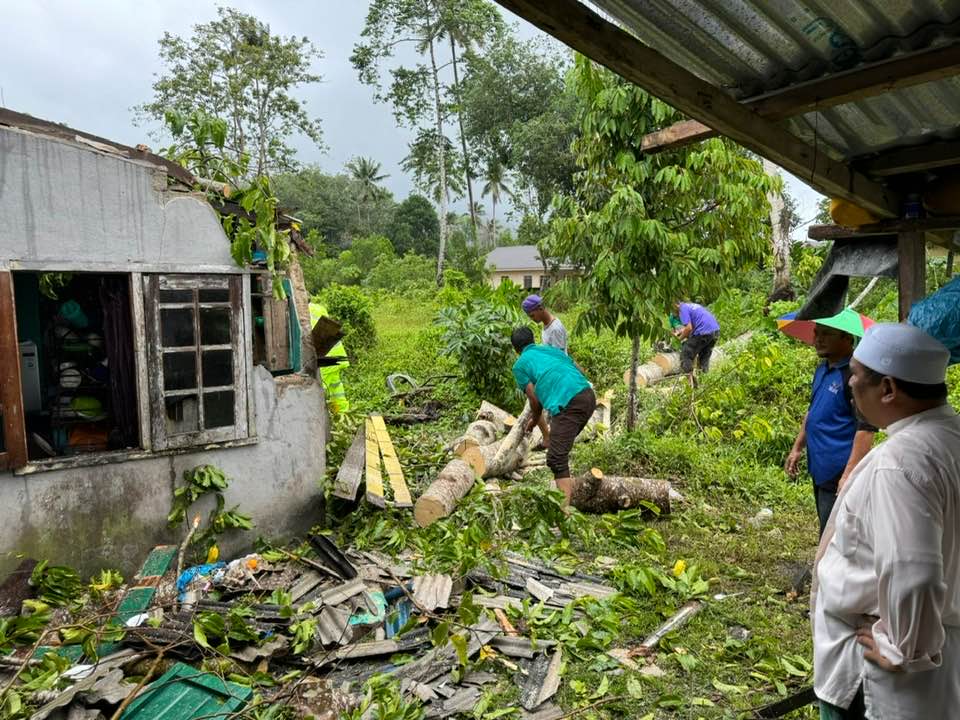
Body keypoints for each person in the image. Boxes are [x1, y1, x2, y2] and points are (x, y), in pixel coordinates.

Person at [812, 323, 960, 719]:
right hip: (943, 665)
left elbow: (914, 572)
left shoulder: (900, 463)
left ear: (889, 389)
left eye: (856, 377)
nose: (850, 386)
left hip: (872, 673)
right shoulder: (950, 437)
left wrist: (902, 647)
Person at [784, 325, 876, 537]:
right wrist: (797, 447)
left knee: (833, 532)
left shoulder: (854, 376)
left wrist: (848, 474)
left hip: (839, 468)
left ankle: (823, 569)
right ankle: (822, 566)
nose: (818, 339)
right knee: (826, 525)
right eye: (817, 333)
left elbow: (866, 428)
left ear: (847, 339)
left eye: (826, 334)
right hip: (819, 465)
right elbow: (813, 412)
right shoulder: (823, 369)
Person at [511, 327, 596, 506]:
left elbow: (534, 400)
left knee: (556, 458)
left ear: (516, 350)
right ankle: (569, 486)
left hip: (569, 404)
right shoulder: (548, 349)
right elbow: (578, 368)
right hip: (588, 396)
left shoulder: (520, 365)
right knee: (559, 450)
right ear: (532, 340)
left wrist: (534, 421)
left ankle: (564, 516)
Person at [673, 301, 720, 386]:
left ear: (675, 305)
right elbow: (693, 326)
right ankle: (704, 383)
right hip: (714, 331)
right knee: (704, 358)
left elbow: (688, 328)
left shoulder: (682, 309)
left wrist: (678, 339)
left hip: (704, 332)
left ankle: (692, 385)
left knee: (686, 354)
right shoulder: (692, 306)